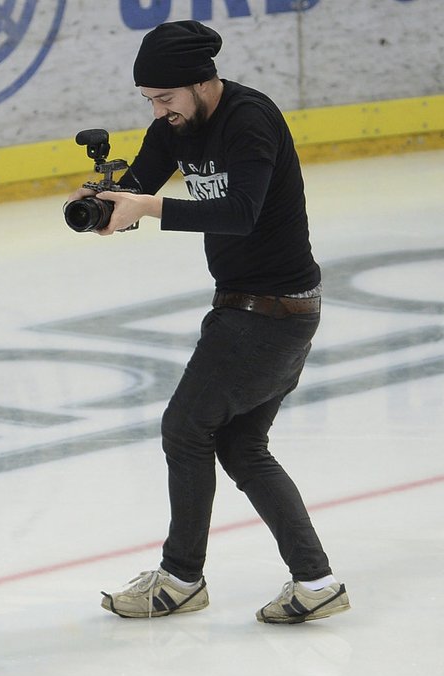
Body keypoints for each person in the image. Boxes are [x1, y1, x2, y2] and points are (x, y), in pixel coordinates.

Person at [67, 20, 350, 624]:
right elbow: (139, 186)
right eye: (149, 101)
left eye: (165, 99)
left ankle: (180, 578)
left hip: (270, 311)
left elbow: (242, 212)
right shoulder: (177, 125)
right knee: (241, 445)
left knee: (185, 429)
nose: (159, 111)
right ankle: (316, 580)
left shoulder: (251, 120)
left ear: (203, 83)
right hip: (259, 308)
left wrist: (150, 207)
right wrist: (108, 206)